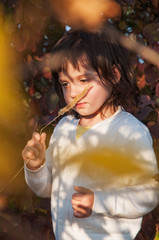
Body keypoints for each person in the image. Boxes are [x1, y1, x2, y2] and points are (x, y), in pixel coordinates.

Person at [22, 24, 159, 240]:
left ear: (113, 75)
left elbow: (148, 194)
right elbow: (48, 189)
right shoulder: (64, 128)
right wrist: (36, 167)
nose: (74, 92)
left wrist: (99, 201)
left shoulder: (129, 132)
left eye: (84, 80)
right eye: (65, 84)